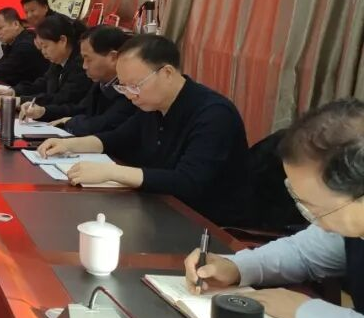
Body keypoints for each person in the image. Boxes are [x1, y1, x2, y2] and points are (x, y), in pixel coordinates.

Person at [184, 98, 364, 318]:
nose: (312, 218)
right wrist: (237, 267)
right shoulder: (347, 225)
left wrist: (304, 310)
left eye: (316, 209)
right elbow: (304, 253)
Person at [38, 34, 250, 226]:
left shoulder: (214, 114)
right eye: (123, 86)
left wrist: (111, 172)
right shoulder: (152, 105)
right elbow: (118, 138)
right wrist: (68, 144)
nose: (130, 95)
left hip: (206, 224)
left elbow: (188, 182)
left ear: (167, 73)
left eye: (135, 85)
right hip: (160, 207)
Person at [18, 25, 136, 137]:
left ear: (113, 57)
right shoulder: (101, 82)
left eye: (88, 59)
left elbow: (103, 124)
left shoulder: (129, 89)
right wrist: (43, 111)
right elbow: (80, 109)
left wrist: (70, 122)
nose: (84, 66)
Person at [0, 16, 91, 110]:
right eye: (41, 48)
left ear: (62, 40)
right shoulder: (58, 60)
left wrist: (20, 101)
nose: (43, 52)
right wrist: (14, 92)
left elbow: (61, 98)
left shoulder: (81, 64)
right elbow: (42, 84)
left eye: (45, 46)